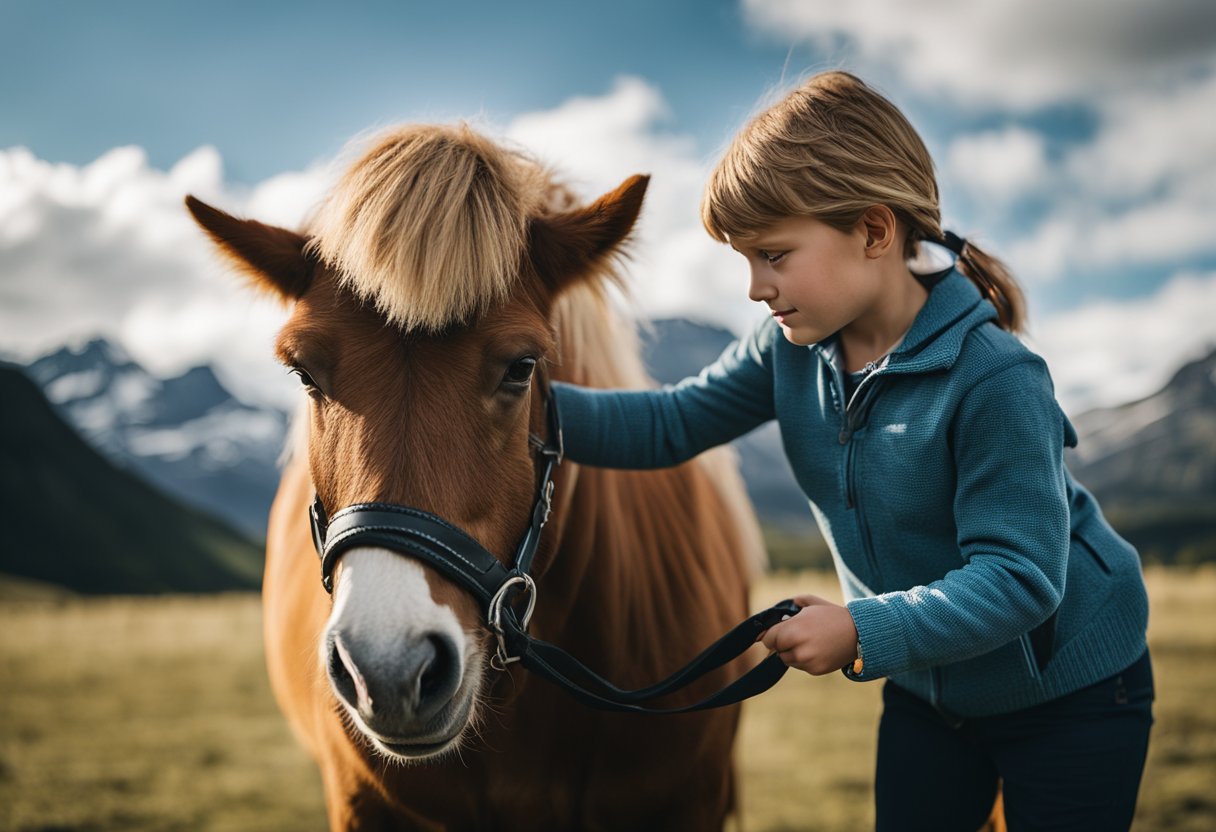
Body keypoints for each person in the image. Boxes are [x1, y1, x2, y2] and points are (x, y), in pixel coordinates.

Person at [549, 71, 1153, 831]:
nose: (754, 288)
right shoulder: (785, 351)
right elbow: (670, 423)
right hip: (928, 697)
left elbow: (1022, 578)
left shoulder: (997, 379)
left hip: (1075, 697)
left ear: (873, 231)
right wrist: (502, 406)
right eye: (745, 261)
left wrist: (860, 630)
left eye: (773, 254)